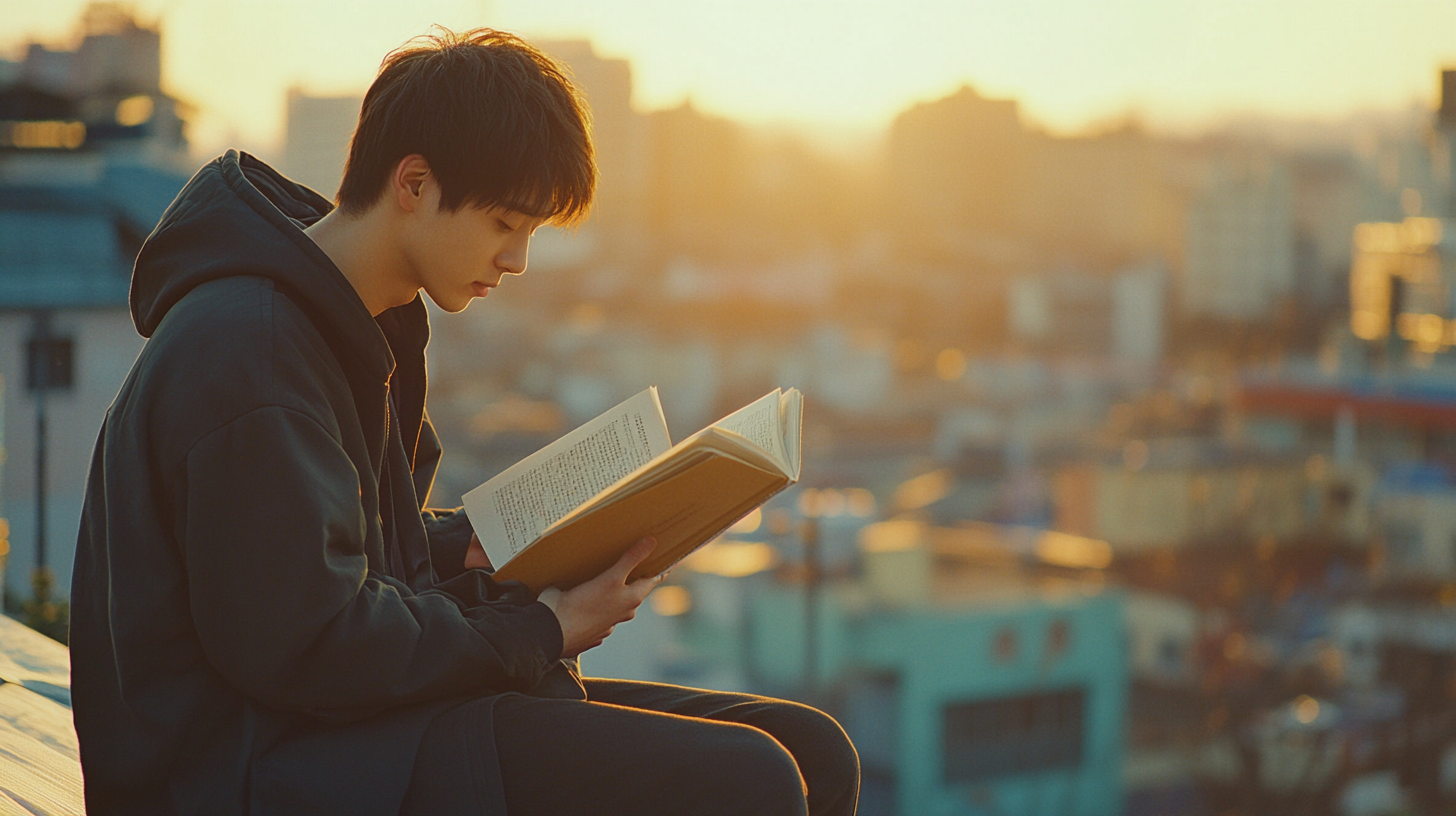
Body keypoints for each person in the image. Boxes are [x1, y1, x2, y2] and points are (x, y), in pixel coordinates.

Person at [70, 27, 859, 816]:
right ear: (413, 183)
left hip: (333, 729)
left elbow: (324, 555)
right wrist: (539, 633)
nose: (516, 260)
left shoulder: (348, 319)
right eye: (504, 225)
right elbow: (310, 645)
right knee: (749, 778)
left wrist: (468, 544)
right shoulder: (258, 353)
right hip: (242, 767)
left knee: (813, 750)